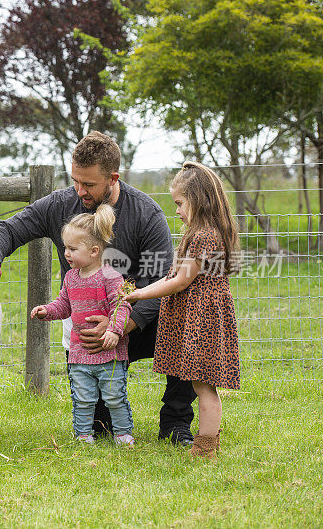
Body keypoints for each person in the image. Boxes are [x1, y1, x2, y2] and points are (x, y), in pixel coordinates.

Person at [0, 131, 197, 445]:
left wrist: (119, 326)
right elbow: (9, 228)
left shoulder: (146, 214)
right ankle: (101, 417)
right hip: (89, 331)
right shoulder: (60, 204)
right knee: (99, 429)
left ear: (113, 178)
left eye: (89, 184)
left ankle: (176, 424)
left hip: (135, 321)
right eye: (75, 180)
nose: (80, 190)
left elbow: (162, 282)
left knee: (183, 323)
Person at [124, 161, 240, 459]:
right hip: (198, 315)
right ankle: (207, 442)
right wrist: (140, 292)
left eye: (179, 203)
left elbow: (179, 281)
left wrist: (139, 293)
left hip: (202, 319)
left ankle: (204, 448)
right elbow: (173, 277)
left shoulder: (204, 236)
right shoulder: (203, 233)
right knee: (202, 385)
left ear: (198, 200)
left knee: (204, 387)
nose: (176, 210)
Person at [30, 204, 135, 446]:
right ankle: (84, 435)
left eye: (72, 249)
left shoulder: (110, 276)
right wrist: (47, 311)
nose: (66, 253)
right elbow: (64, 306)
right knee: (83, 398)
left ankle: (122, 434)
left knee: (114, 396)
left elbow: (122, 306)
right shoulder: (70, 278)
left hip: (109, 353)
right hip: (79, 353)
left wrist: (114, 330)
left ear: (94, 251)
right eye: (65, 247)